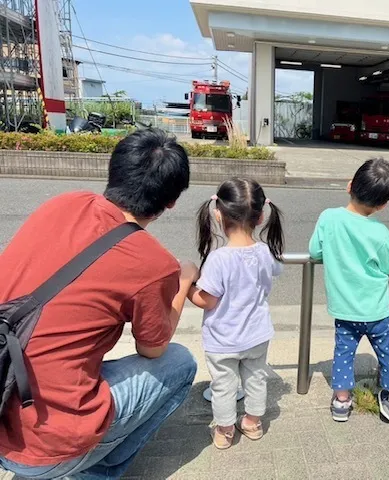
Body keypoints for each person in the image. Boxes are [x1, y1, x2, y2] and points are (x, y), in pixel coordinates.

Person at [0, 128, 199, 478]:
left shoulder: (64, 203)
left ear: (114, 171)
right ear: (171, 201)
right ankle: (90, 472)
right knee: (181, 362)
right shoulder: (154, 263)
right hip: (52, 444)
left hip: (5, 399)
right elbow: (153, 349)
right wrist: (183, 281)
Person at [188, 178, 284, 450]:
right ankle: (253, 423)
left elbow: (206, 300)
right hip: (257, 335)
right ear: (262, 216)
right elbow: (276, 270)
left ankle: (225, 431)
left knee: (224, 386)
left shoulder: (219, 259)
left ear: (218, 214)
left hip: (223, 340)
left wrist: (187, 286)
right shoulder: (266, 251)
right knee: (256, 379)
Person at [309, 158, 389, 423]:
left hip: (345, 309)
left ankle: (341, 401)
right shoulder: (379, 231)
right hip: (376, 309)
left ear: (350, 185)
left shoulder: (328, 218)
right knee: (388, 353)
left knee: (343, 353)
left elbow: (314, 251)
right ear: (383, 204)